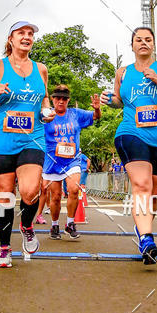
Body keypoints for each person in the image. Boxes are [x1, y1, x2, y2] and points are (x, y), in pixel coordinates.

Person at [101, 26, 157, 264]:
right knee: (141, 184)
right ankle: (147, 238)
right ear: (132, 45)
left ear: (154, 45)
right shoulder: (123, 72)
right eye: (139, 40)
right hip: (132, 133)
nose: (143, 43)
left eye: (148, 39)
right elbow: (119, 100)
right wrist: (111, 101)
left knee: (154, 194)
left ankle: (142, 229)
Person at [0, 20, 54, 268]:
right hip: (1, 139)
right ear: (10, 39)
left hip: (32, 137)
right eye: (21, 33)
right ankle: (4, 248)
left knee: (31, 191)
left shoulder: (40, 69)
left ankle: (27, 225)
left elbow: (44, 98)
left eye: (30, 33)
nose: (27, 37)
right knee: (5, 198)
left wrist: (47, 111)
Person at [40, 85, 100, 241]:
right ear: (52, 99)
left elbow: (95, 116)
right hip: (53, 161)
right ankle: (54, 225)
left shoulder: (76, 114)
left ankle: (70, 223)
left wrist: (97, 109)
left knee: (74, 190)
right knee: (56, 196)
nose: (61, 101)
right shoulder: (46, 116)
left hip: (72, 160)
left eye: (64, 99)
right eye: (58, 98)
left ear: (68, 100)